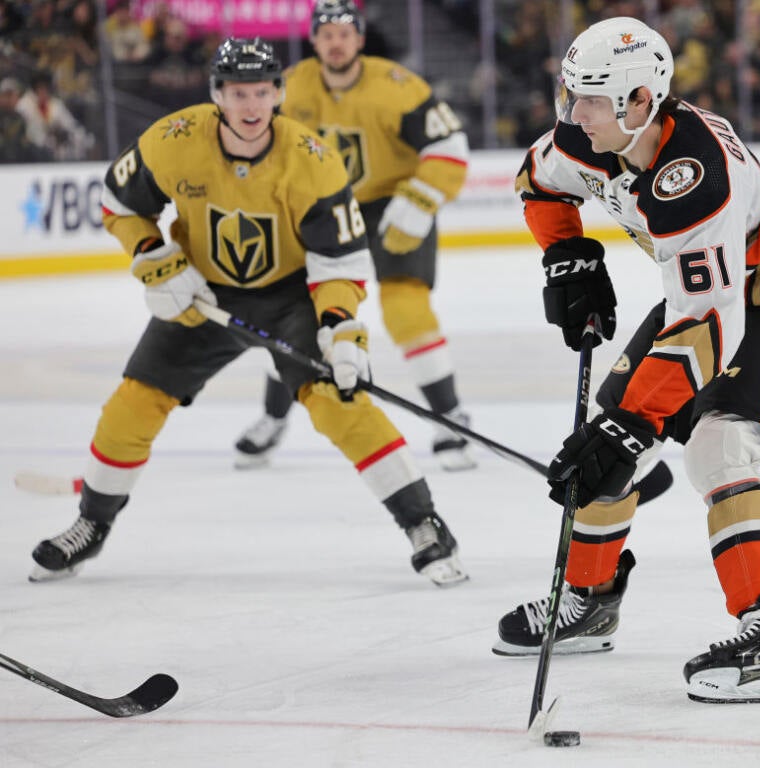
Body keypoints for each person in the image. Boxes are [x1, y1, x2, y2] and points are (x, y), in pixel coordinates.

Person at [491, 17, 760, 703]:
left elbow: (711, 326)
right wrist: (567, 254)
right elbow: (536, 181)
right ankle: (591, 600)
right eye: (572, 95)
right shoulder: (587, 136)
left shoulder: (693, 177)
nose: (574, 114)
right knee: (605, 442)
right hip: (708, 293)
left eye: (592, 99)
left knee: (716, 448)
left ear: (640, 102)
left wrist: (635, 424)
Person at [28, 37, 467, 589]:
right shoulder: (172, 139)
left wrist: (340, 327)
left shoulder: (313, 161)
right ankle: (90, 524)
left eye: (262, 91)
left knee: (341, 401)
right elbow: (120, 204)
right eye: (239, 93)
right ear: (217, 95)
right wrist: (153, 258)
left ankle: (423, 523)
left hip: (292, 298)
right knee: (133, 404)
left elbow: (340, 259)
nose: (252, 105)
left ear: (280, 92)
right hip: (204, 297)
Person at [233, 0, 475, 472]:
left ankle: (449, 418)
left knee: (406, 310)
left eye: (345, 33)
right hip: (324, 208)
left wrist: (423, 198)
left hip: (393, 205)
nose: (336, 42)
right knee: (293, 314)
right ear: (314, 40)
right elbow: (261, 148)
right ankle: (272, 417)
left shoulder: (397, 87)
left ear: (360, 38)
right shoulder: (290, 86)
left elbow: (449, 144)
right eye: (327, 34)